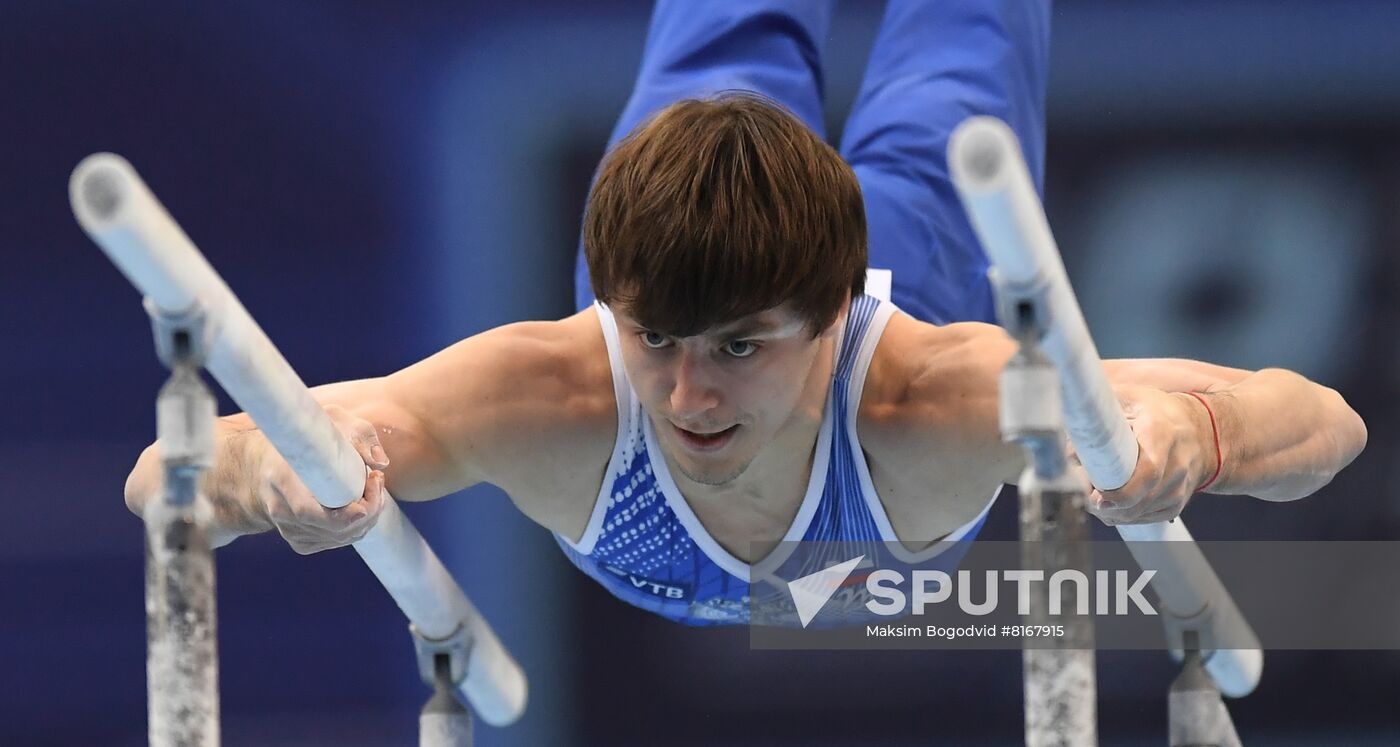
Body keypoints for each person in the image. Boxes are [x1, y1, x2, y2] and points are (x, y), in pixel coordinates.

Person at [124, 1, 1365, 626]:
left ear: (831, 310)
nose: (685, 397)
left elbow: (1321, 427)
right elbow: (162, 479)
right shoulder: (551, 391)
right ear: (613, 306)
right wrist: (267, 478)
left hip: (918, 256)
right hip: (727, 278)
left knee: (964, 41)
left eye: (737, 349)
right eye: (654, 340)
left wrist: (1194, 442)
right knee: (714, 49)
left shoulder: (937, 399)